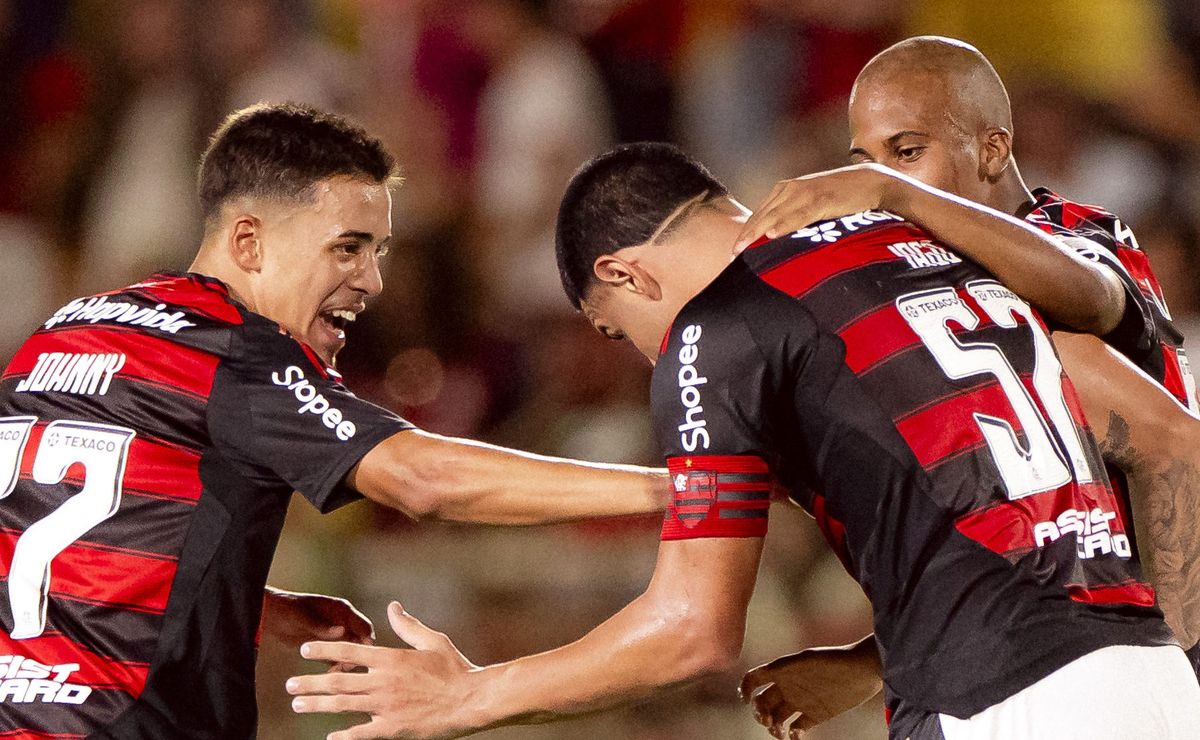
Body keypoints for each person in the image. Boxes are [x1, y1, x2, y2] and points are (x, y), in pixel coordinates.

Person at [285, 142, 1200, 740]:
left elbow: (693, 633)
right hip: (1153, 680)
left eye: (617, 329)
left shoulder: (715, 330)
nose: (644, 355)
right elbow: (1144, 446)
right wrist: (876, 659)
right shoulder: (916, 241)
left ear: (623, 272)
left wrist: (471, 694)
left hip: (1003, 706)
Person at [0, 103, 668, 739]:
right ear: (249, 242)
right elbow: (423, 479)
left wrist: (248, 602)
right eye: (347, 248)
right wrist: (676, 489)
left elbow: (48, 537)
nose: (372, 280)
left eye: (378, 250)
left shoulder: (60, 335)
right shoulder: (232, 350)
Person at [729, 36, 1200, 736]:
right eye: (868, 161)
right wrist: (872, 661)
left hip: (1147, 644)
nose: (882, 181)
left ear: (990, 149)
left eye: (909, 150)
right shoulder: (937, 287)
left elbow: (1100, 304)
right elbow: (1035, 533)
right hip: (1065, 656)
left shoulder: (1073, 232)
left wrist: (1181, 660)